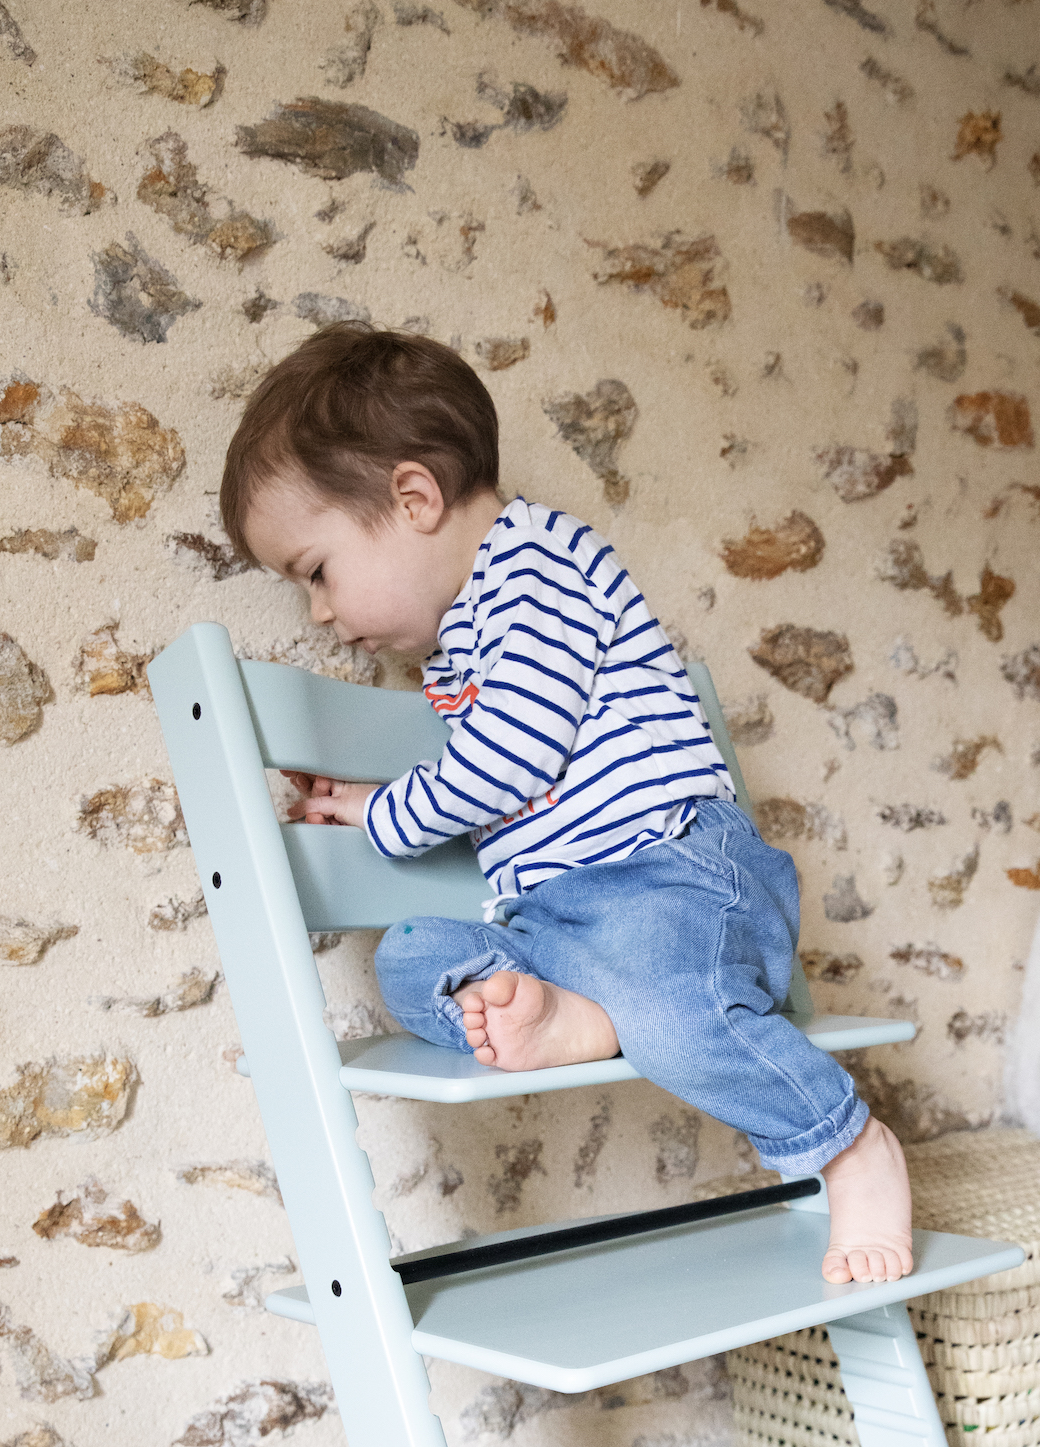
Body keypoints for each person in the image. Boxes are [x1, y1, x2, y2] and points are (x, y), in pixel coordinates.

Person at [220, 326, 913, 1285]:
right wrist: (381, 796)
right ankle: (585, 1011)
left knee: (678, 1012)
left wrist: (388, 817)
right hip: (568, 918)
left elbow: (509, 759)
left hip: (677, 879)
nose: (321, 616)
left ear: (413, 498)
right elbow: (505, 761)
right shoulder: (468, 629)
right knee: (415, 960)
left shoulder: (539, 567)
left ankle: (847, 1145)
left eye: (315, 572)